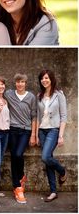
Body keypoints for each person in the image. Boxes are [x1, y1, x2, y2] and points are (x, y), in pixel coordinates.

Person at [5, 73, 37, 204]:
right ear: (15, 83)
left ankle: (21, 177)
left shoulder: (31, 97)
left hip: (25, 130)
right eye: (18, 82)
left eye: (22, 81)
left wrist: (33, 134)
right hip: (12, 129)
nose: (20, 84)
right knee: (13, 156)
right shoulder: (9, 94)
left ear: (25, 83)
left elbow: (34, 116)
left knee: (18, 154)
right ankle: (17, 188)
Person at [36, 69, 67, 202]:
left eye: (47, 78)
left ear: (51, 79)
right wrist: (36, 134)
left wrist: (61, 136)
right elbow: (37, 117)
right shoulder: (39, 95)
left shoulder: (59, 94)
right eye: (42, 78)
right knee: (48, 160)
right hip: (42, 130)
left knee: (45, 157)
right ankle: (53, 192)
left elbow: (64, 116)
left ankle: (62, 171)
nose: (44, 80)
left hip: (53, 130)